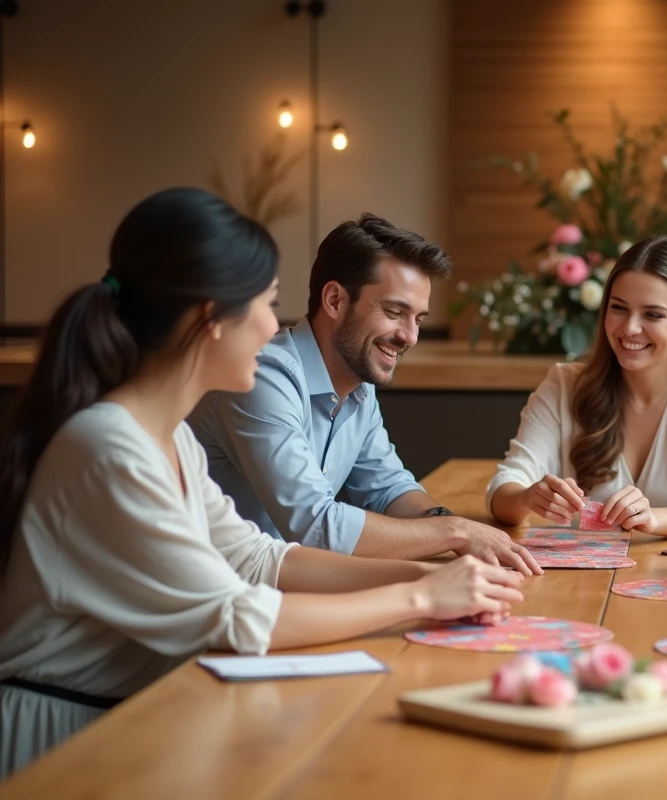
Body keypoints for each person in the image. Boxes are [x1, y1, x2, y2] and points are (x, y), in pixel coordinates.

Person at [0, 189, 524, 777]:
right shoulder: (109, 448)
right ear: (209, 319)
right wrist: (423, 596)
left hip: (139, 713)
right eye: (265, 303)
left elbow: (260, 559)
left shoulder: (164, 438)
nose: (275, 327)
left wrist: (432, 575)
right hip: (61, 737)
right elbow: (236, 617)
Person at [191, 213, 540, 575]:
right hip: (217, 600)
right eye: (394, 312)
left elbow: (388, 489)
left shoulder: (358, 384)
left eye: (418, 319)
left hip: (288, 590)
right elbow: (315, 526)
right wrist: (455, 532)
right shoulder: (263, 377)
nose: (410, 337)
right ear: (335, 300)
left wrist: (449, 526)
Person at [487, 236, 667, 537]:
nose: (629, 328)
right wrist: (527, 498)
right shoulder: (564, 385)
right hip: (580, 581)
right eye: (618, 308)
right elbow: (503, 490)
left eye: (653, 314)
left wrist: (653, 519)